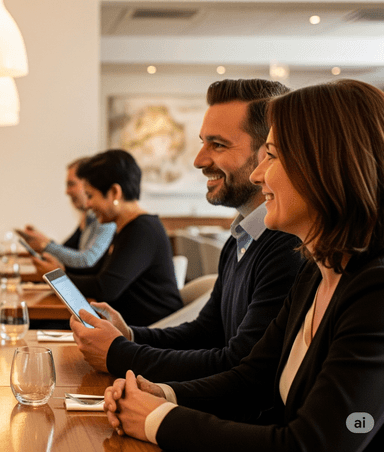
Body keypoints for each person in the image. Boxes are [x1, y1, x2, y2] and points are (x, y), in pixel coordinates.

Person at [106, 79, 384, 451]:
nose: (259, 175)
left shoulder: (380, 292)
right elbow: (252, 378)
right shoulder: (315, 270)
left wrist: (156, 418)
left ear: (323, 167)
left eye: (271, 156)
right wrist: (161, 393)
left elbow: (315, 443)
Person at [70, 79, 304, 380]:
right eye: (203, 142)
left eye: (217, 145)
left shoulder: (287, 247)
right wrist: (127, 335)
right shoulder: (241, 238)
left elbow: (242, 368)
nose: (199, 160)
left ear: (267, 153)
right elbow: (206, 332)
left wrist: (120, 354)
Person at [33, 150, 182, 326]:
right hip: (130, 329)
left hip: (152, 336)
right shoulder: (126, 228)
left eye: (90, 196)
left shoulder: (142, 230)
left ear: (114, 192)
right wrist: (59, 270)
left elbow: (105, 288)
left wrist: (58, 276)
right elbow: (98, 271)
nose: (87, 204)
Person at [17, 157, 116, 268]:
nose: (67, 192)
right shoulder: (89, 217)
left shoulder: (106, 219)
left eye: (71, 184)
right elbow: (68, 249)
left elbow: (87, 260)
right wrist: (41, 241)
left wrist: (45, 245)